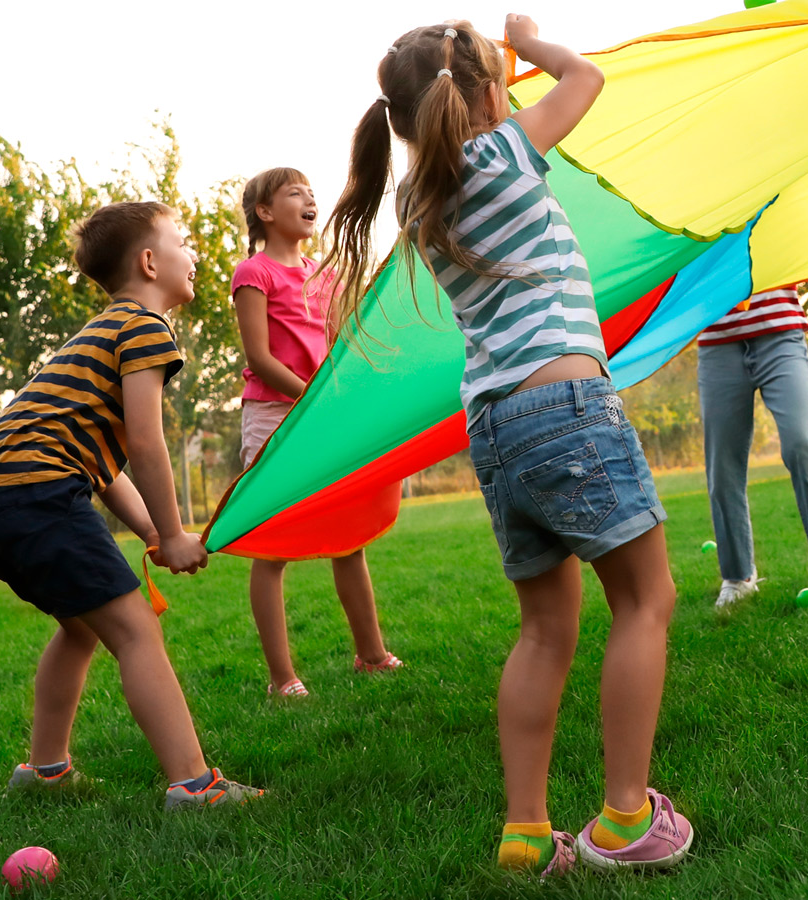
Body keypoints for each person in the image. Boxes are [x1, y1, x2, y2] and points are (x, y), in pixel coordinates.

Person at [318, 16, 691, 875]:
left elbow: (475, 119)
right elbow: (586, 80)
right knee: (645, 600)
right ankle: (627, 818)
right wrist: (537, 41)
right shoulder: (500, 154)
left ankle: (527, 833)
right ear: (489, 96)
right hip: (564, 402)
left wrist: (493, 69)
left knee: (543, 631)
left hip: (493, 429)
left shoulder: (420, 196)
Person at [0, 201, 262, 810]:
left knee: (79, 626)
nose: (192, 253)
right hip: (34, 491)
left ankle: (45, 773)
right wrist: (172, 535)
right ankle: (196, 786)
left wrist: (147, 528)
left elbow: (102, 464)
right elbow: (145, 442)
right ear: (149, 262)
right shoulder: (145, 328)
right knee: (136, 630)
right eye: (182, 240)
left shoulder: (98, 333)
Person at [231, 167, 402, 698]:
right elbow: (258, 356)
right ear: (265, 212)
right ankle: (282, 679)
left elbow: (336, 343)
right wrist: (311, 399)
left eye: (310, 193)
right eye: (294, 193)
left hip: (321, 413)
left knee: (348, 539)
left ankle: (371, 656)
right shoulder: (253, 273)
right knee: (273, 547)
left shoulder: (323, 274)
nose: (310, 200)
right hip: (276, 416)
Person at [698, 283, 808, 608]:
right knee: (722, 466)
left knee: (803, 442)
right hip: (717, 340)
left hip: (781, 332)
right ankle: (738, 576)